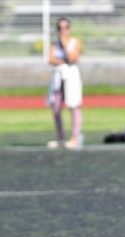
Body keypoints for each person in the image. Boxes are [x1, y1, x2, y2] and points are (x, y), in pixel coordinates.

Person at [47, 17, 83, 149]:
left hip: (71, 76)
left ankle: (75, 137)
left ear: (69, 28)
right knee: (56, 108)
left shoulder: (74, 42)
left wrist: (64, 44)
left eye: (65, 27)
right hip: (58, 76)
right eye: (60, 28)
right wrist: (61, 60)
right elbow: (51, 59)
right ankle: (60, 137)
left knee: (74, 106)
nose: (63, 31)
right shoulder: (54, 44)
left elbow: (72, 58)